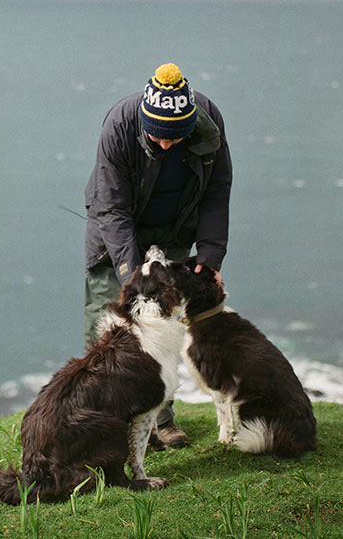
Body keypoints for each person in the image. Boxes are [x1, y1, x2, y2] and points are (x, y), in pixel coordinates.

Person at [83, 62, 232, 447]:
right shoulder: (120, 124)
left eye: (175, 139)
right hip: (114, 233)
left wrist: (211, 254)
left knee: (162, 328)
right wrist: (132, 273)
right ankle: (103, 423)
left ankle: (159, 421)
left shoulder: (208, 119)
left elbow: (218, 187)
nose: (166, 145)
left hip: (174, 230)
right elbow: (111, 208)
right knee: (109, 326)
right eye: (158, 138)